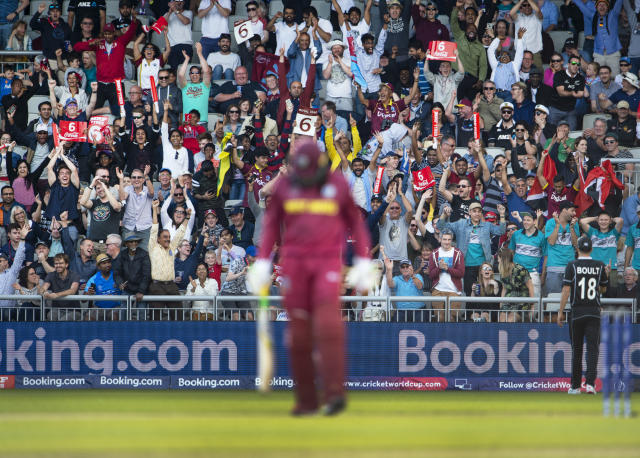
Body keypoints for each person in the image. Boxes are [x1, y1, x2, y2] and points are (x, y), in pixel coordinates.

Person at [247, 139, 373, 416]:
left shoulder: (337, 185)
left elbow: (356, 222)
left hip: (327, 262)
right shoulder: (285, 186)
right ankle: (306, 401)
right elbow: (269, 228)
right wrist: (262, 262)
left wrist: (364, 260)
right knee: (299, 335)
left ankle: (334, 393)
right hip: (294, 266)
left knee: (329, 325)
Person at [557, 236, 608, 395]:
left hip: (577, 311)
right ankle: (591, 384)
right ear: (592, 248)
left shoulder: (572, 265)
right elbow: (603, 290)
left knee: (577, 349)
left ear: (577, 249)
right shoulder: (599, 265)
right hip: (593, 311)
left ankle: (575, 386)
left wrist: (560, 312)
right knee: (593, 350)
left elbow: (566, 290)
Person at [427, 229, 464, 322]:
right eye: (444, 239)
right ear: (440, 239)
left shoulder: (458, 253)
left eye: (449, 239)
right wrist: (439, 268)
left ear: (452, 240)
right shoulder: (434, 253)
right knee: (440, 319)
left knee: (452, 319)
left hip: (454, 290)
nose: (447, 242)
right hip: (438, 290)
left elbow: (461, 273)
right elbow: (431, 275)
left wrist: (448, 269)